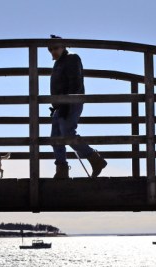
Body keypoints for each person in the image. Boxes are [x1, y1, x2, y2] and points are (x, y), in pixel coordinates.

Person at [48, 35, 107, 179]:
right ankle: (61, 170)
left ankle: (95, 159)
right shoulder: (59, 62)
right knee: (55, 137)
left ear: (63, 47)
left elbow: (75, 83)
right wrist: (57, 105)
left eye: (55, 48)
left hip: (71, 102)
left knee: (68, 134)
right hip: (60, 105)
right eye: (50, 49)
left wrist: (68, 102)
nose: (53, 52)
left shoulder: (72, 58)